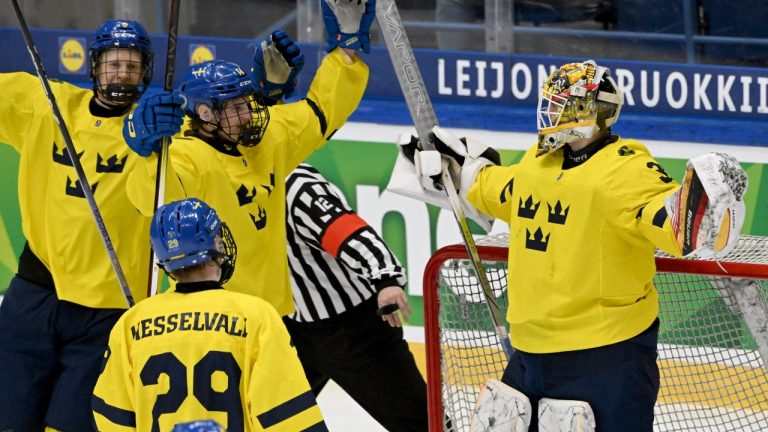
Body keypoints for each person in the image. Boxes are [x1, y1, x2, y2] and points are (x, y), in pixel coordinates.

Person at [390, 60, 748, 431]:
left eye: (561, 103)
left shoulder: (626, 169)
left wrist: (703, 210)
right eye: (550, 102)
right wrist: (457, 167)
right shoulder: (538, 162)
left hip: (605, 357)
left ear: (592, 112)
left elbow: (672, 225)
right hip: (530, 352)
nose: (549, 112)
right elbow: (499, 188)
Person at [123, 0, 374, 317]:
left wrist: (347, 48)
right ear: (205, 113)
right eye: (236, 107)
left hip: (271, 314)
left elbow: (322, 111)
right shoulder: (185, 156)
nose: (249, 114)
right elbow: (150, 200)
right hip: (209, 316)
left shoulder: (266, 138)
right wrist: (146, 153)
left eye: (248, 102)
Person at [0, 19, 168, 431]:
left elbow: (170, 194)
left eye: (131, 66)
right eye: (113, 64)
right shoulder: (46, 105)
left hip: (109, 314)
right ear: (93, 67)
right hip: (36, 294)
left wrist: (156, 150)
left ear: (145, 72)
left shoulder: (162, 128)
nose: (121, 74)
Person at [92, 198, 327, 431]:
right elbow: (289, 417)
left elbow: (111, 417)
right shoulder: (257, 317)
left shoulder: (131, 324)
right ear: (217, 243)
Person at [282, 163, 428, 431]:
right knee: (268, 421)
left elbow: (347, 232)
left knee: (421, 424)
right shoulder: (231, 183)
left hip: (354, 331)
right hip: (291, 329)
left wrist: (384, 278)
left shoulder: (297, 187)